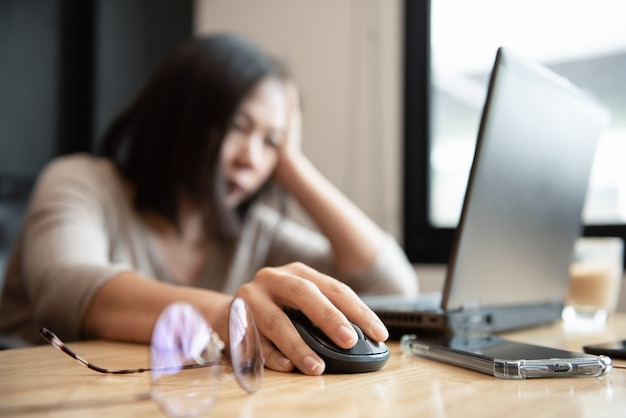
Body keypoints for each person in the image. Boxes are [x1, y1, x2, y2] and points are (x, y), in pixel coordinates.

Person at [0, 34, 418, 375]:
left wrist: (293, 166)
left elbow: (392, 286)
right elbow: (68, 288)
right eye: (239, 127)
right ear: (179, 116)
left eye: (270, 143)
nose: (251, 159)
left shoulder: (254, 231)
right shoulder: (81, 182)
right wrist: (230, 314)